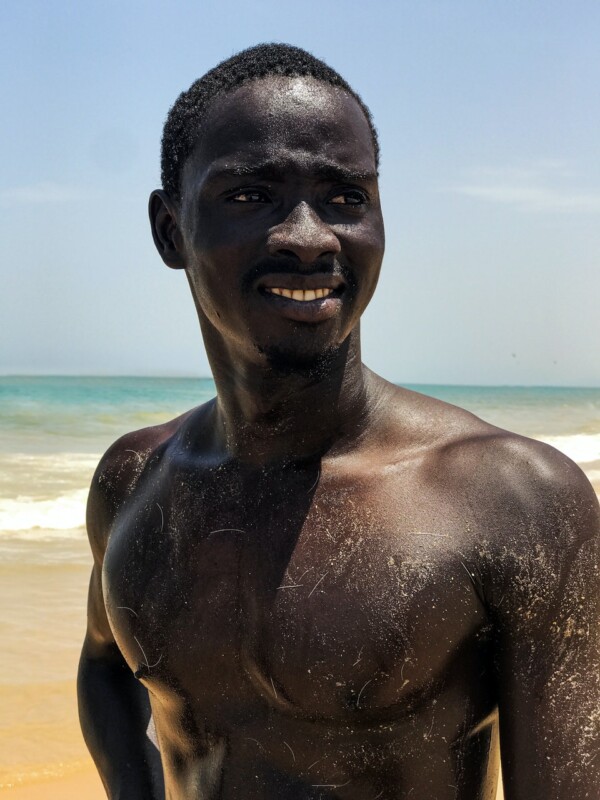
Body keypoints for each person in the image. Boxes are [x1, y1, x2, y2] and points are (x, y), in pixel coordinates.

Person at [78, 43, 600, 800]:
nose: (308, 236)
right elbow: (103, 665)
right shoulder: (134, 484)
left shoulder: (515, 502)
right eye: (250, 196)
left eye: (345, 198)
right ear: (169, 231)